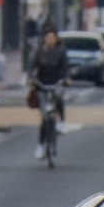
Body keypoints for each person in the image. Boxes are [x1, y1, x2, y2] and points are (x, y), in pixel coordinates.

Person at [29, 28, 69, 158]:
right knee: (45, 118)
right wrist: (31, 78)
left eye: (52, 37)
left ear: (56, 39)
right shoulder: (40, 51)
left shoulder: (61, 51)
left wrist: (66, 79)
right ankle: (40, 145)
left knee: (58, 97)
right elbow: (32, 65)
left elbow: (65, 67)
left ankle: (62, 121)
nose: (50, 40)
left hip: (56, 82)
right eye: (48, 37)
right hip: (42, 84)